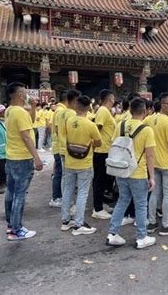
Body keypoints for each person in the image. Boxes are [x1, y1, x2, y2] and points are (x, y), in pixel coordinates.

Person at [106, 98, 157, 248]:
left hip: (121, 170)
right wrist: (152, 177)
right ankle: (141, 237)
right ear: (145, 111)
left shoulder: (120, 125)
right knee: (141, 205)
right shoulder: (146, 130)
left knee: (122, 200)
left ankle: (112, 233)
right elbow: (150, 156)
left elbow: (114, 145)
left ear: (130, 110)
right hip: (138, 172)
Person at [4, 82, 43, 241]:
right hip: (22, 158)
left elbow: (30, 122)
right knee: (19, 194)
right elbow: (26, 136)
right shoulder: (20, 112)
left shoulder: (10, 110)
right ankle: (17, 229)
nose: (28, 95)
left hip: (11, 157)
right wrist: (36, 156)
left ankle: (11, 225)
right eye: (26, 93)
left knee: (11, 192)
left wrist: (33, 107)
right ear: (20, 95)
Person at [61, 95, 102, 236]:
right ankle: (79, 224)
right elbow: (98, 142)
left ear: (76, 106)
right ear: (88, 108)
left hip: (69, 160)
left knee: (67, 190)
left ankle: (65, 221)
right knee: (83, 193)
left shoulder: (68, 120)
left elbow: (64, 136)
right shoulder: (90, 124)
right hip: (84, 162)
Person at [147, 92, 168, 236]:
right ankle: (166, 225)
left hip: (154, 162)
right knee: (167, 195)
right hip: (167, 164)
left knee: (155, 193)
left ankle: (152, 222)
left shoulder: (149, 120)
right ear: (163, 105)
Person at [92, 89, 116, 220]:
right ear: (110, 99)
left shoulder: (106, 111)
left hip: (107, 150)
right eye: (113, 99)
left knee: (104, 180)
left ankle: (101, 203)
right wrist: (95, 143)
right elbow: (97, 128)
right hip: (101, 151)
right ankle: (97, 209)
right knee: (99, 180)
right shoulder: (102, 110)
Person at [56, 89, 81, 205]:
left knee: (65, 177)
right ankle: (68, 204)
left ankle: (66, 202)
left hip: (62, 147)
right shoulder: (72, 113)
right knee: (70, 180)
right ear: (75, 100)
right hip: (70, 149)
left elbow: (56, 129)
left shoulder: (60, 112)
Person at [49, 91, 67, 208]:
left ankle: (57, 197)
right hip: (60, 146)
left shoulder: (58, 110)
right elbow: (58, 129)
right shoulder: (61, 111)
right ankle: (57, 197)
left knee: (59, 172)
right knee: (59, 173)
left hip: (58, 145)